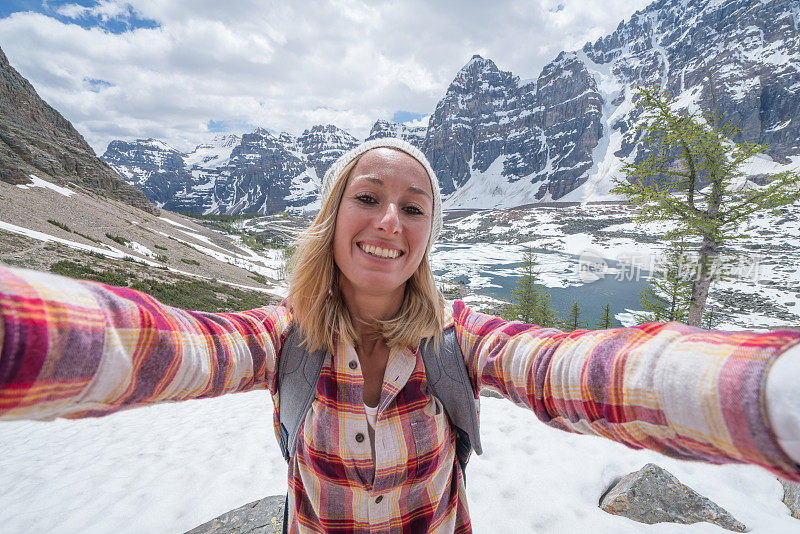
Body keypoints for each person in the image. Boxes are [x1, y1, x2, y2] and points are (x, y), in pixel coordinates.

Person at [0, 137, 799, 534]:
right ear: (332, 218)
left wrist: (768, 395)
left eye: (414, 208)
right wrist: (23, 339)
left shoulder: (459, 337)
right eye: (369, 197)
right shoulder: (284, 337)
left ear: (427, 235)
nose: (390, 221)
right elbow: (164, 347)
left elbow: (570, 369)